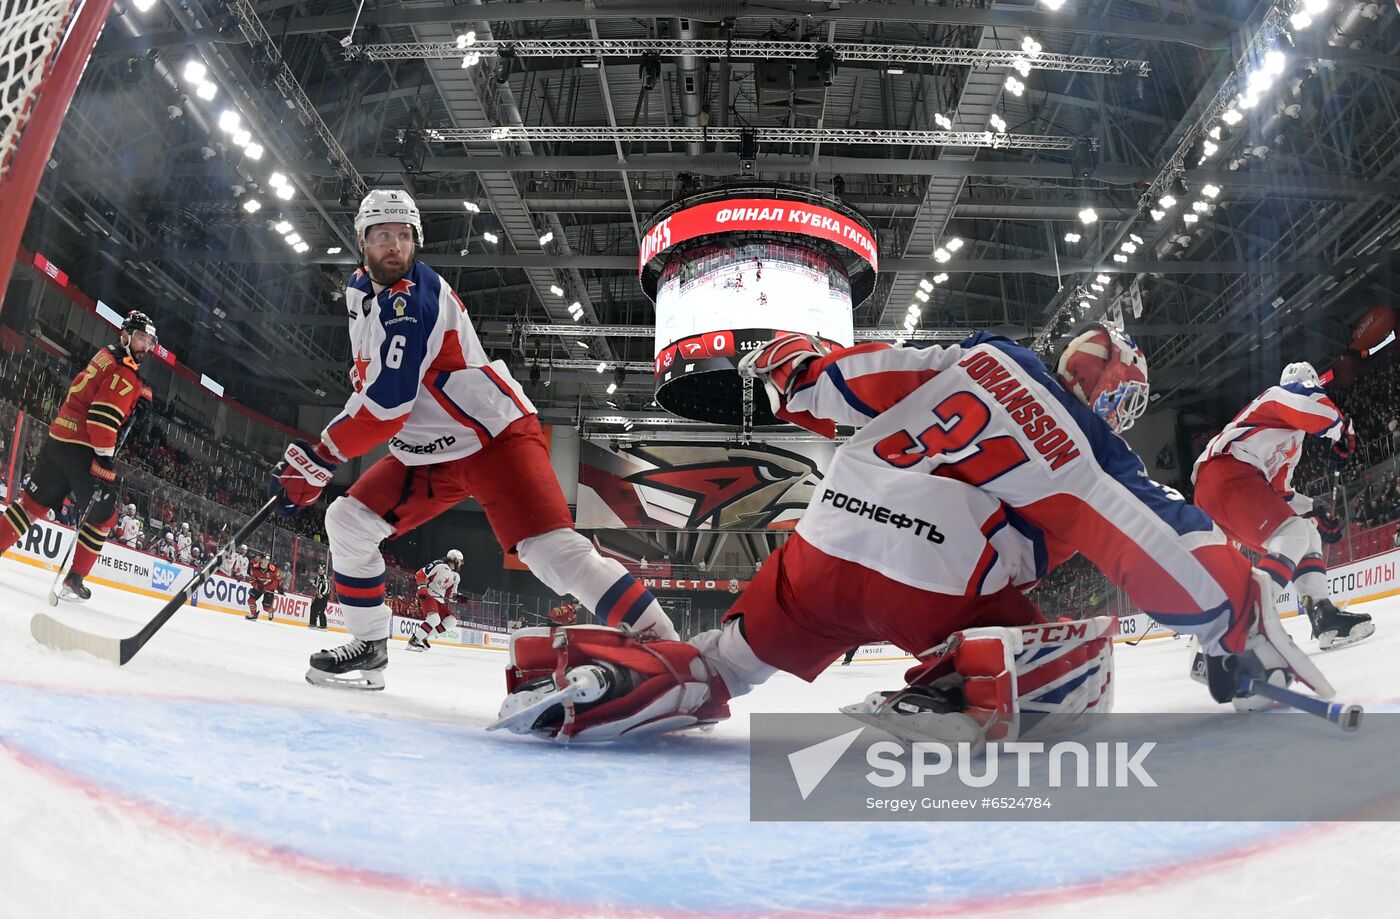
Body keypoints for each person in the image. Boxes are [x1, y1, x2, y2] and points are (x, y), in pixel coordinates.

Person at [495, 325, 1336, 741]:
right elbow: (1159, 546)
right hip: (932, 590)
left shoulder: (978, 356)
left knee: (723, 661)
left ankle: (601, 679)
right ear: (1118, 398)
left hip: (820, 549)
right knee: (1076, 656)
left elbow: (815, 383)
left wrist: (783, 365)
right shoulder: (1094, 452)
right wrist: (1235, 611)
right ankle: (959, 684)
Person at [269, 189, 675, 690]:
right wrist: (319, 456)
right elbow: (372, 390)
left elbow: (387, 407)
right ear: (362, 242)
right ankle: (370, 649)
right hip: (426, 449)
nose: (394, 246)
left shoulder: (409, 303)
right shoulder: (360, 292)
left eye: (403, 236)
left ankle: (665, 646)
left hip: (491, 438)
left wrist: (322, 454)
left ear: (416, 240)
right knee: (347, 521)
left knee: (552, 553)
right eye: (382, 237)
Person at [1192, 362, 1374, 650]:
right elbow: (1308, 401)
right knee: (1294, 534)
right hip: (1226, 473)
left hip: (1229, 487)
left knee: (1306, 533)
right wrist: (1343, 430)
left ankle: (1323, 615)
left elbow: (1280, 493)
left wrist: (1315, 509)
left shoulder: (1293, 437)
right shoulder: (1274, 399)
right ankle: (1245, 622)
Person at [0, 311, 155, 600]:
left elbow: (99, 391)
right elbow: (102, 417)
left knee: (32, 504)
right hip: (83, 449)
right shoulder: (126, 372)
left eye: (148, 340)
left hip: (59, 437)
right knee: (104, 518)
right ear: (125, 335)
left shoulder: (107, 355)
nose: (145, 345)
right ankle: (75, 578)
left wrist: (136, 397)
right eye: (140, 338)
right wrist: (104, 461)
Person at [407, 549, 463, 651]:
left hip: (440, 600)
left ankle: (424, 635)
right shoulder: (438, 564)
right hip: (428, 595)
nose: (461, 563)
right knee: (434, 619)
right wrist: (422, 588)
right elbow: (420, 574)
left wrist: (457, 597)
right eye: (460, 561)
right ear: (455, 559)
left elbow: (450, 596)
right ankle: (413, 642)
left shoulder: (456, 577)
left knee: (451, 621)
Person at [245, 551, 282, 621]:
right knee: (250, 600)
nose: (266, 561)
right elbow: (252, 580)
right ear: (261, 560)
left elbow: (279, 577)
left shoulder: (273, 569)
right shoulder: (255, 567)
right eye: (264, 559)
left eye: (267, 560)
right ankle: (254, 614)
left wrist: (280, 586)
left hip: (270, 588)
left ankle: (270, 611)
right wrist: (257, 586)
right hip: (260, 586)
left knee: (266, 608)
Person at [308, 563, 331, 630]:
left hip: (323, 596)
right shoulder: (318, 577)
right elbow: (318, 585)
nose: (320, 571)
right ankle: (313, 623)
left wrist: (322, 594)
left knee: (321, 610)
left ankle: (323, 625)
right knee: (313, 607)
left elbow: (327, 588)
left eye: (322, 570)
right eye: (319, 570)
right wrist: (313, 584)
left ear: (324, 571)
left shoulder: (325, 577)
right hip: (319, 596)